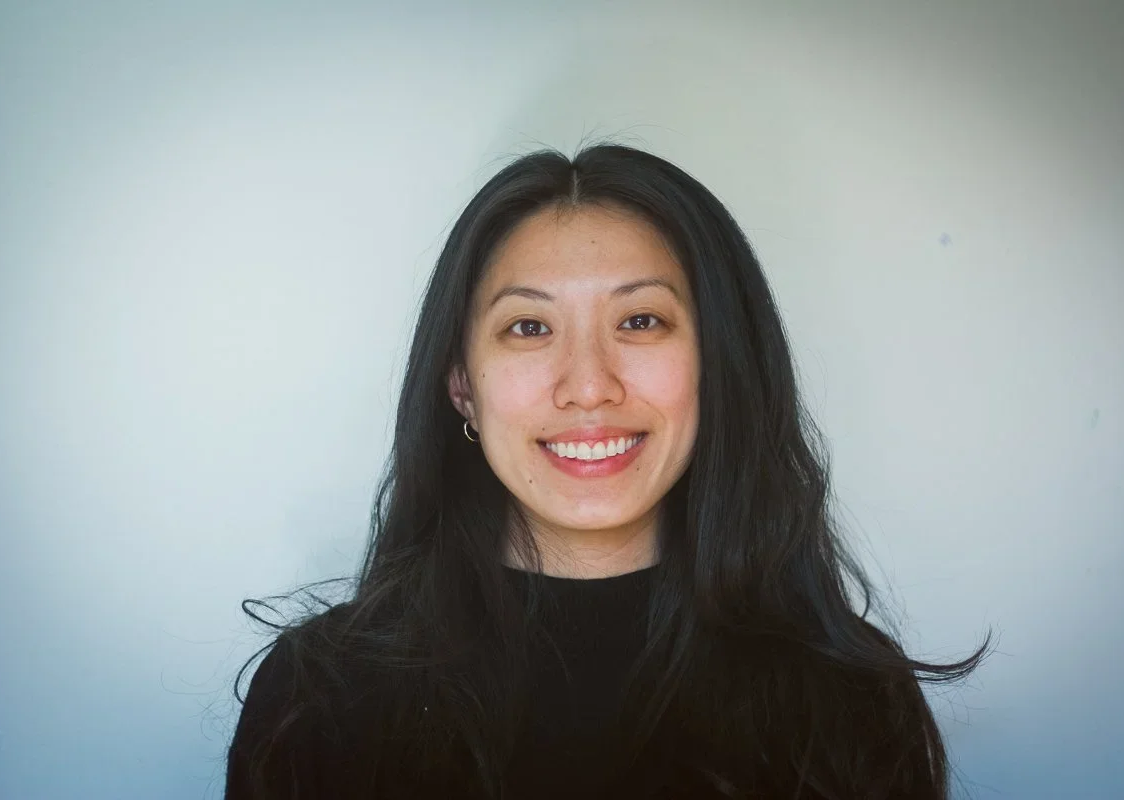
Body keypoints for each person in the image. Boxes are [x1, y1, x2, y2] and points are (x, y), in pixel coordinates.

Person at [224, 143, 988, 799]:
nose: (588, 386)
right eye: (529, 327)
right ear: (461, 385)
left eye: (640, 321)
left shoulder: (852, 701)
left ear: (717, 366)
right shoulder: (314, 700)